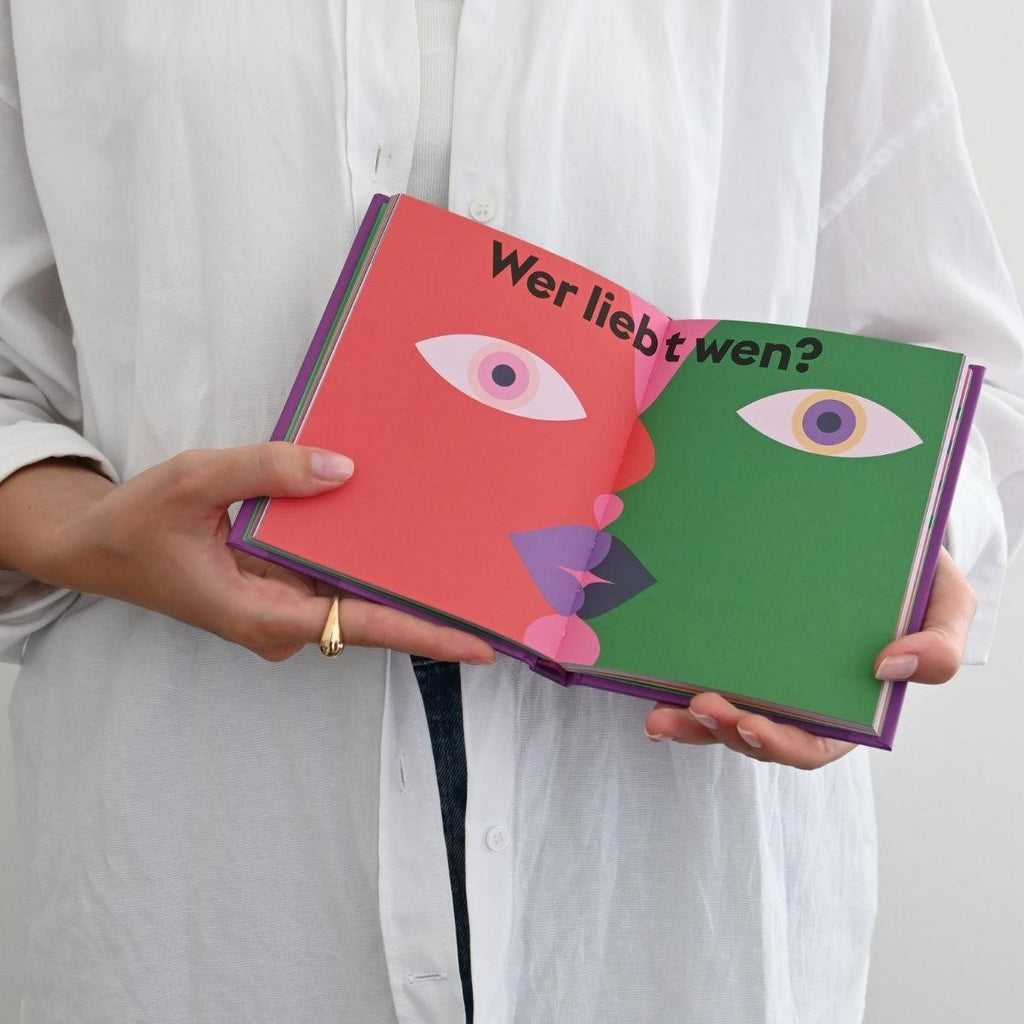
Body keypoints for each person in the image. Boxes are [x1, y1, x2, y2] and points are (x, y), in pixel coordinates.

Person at [0, 1, 1021, 1022]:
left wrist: (881, 571)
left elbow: (953, 373)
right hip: (197, 841)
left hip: (665, 872)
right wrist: (87, 536)